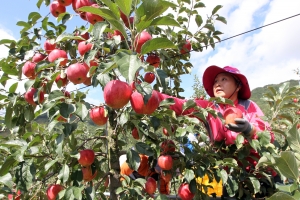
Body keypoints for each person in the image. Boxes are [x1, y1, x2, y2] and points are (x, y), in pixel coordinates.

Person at [156, 65, 276, 197]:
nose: (218, 84)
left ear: (238, 85)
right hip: (230, 180)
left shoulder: (249, 106)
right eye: (215, 81)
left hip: (257, 176)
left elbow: (268, 136)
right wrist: (154, 97)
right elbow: (181, 104)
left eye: (224, 79)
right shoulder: (210, 109)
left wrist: (250, 130)